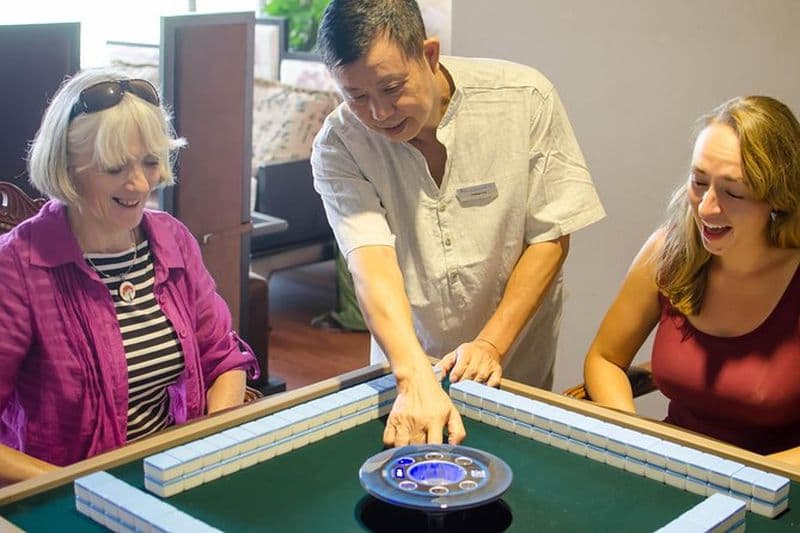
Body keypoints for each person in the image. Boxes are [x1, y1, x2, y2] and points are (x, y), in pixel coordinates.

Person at [312, 0, 605, 447]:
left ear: (429, 54)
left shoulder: (525, 99)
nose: (380, 113)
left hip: (516, 361)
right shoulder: (340, 145)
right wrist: (413, 377)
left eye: (391, 88)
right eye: (357, 97)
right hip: (408, 363)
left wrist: (490, 345)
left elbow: (550, 237)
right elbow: (371, 264)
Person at [0, 69, 259, 484]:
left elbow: (222, 358)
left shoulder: (172, 240)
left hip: (170, 475)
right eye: (115, 167)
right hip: (66, 493)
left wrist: (210, 442)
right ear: (68, 165)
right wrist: (77, 487)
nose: (139, 184)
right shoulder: (18, 266)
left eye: (151, 161)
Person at [583, 95, 800, 464]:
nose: (707, 207)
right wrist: (632, 433)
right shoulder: (667, 252)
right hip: (672, 468)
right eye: (699, 182)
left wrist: (746, 475)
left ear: (778, 198)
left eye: (733, 192)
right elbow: (604, 359)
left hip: (775, 483)